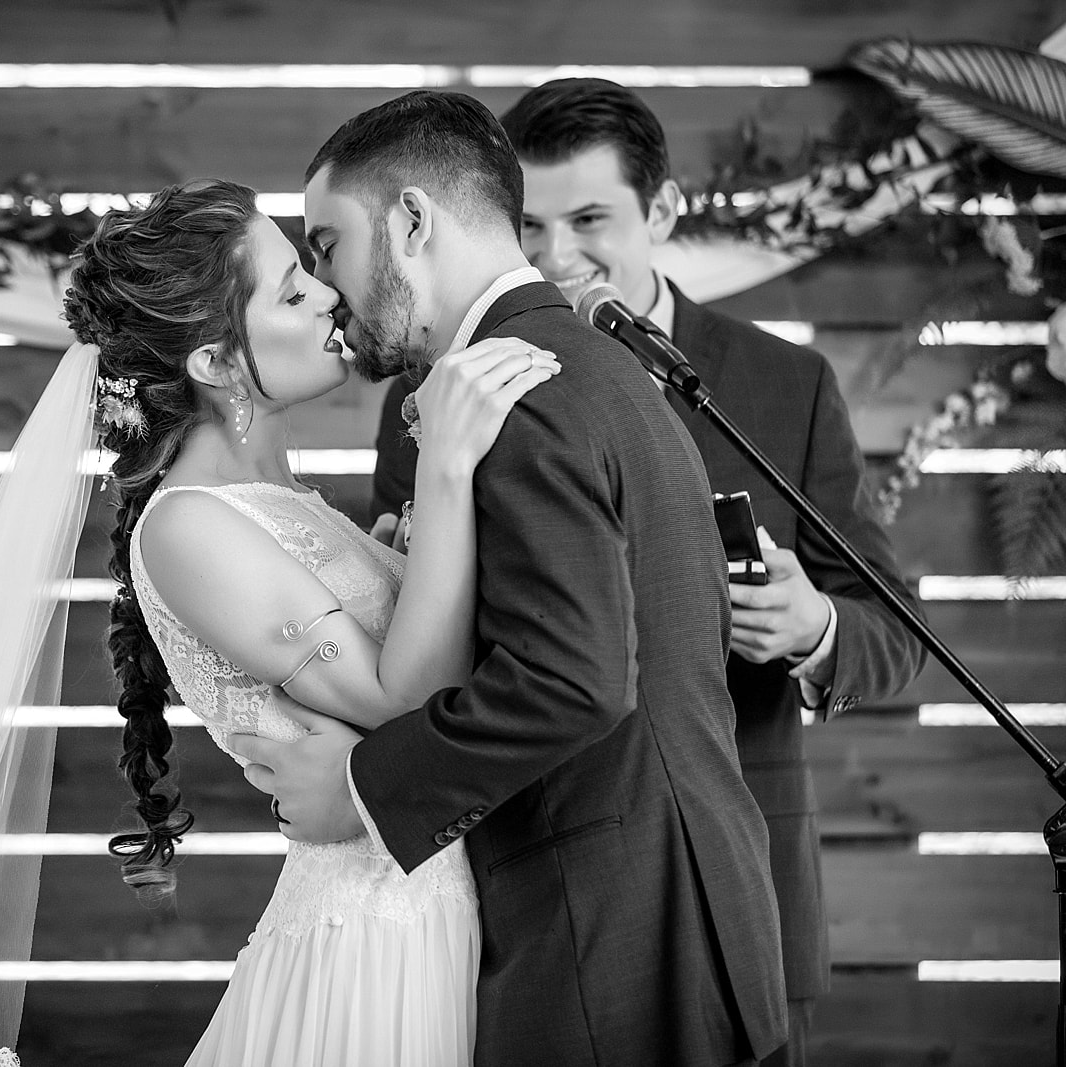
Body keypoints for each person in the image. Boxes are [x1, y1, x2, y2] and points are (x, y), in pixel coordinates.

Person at [367, 79, 929, 1066]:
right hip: (529, 887)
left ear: (662, 211)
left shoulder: (781, 383)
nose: (555, 255)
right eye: (528, 224)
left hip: (741, 884)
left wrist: (814, 627)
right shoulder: (435, 390)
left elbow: (895, 632)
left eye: (590, 219)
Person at [233, 90, 789, 1066]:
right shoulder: (569, 362)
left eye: (326, 247)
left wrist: (360, 788)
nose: (326, 290)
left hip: (615, 928)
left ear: (409, 223)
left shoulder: (518, 389)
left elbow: (571, 677)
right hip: (664, 902)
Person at [71, 178, 562, 1065]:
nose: (330, 294)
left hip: (436, 898)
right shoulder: (187, 526)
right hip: (378, 940)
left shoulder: (277, 503)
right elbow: (402, 696)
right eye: (293, 291)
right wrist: (446, 469)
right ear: (217, 364)